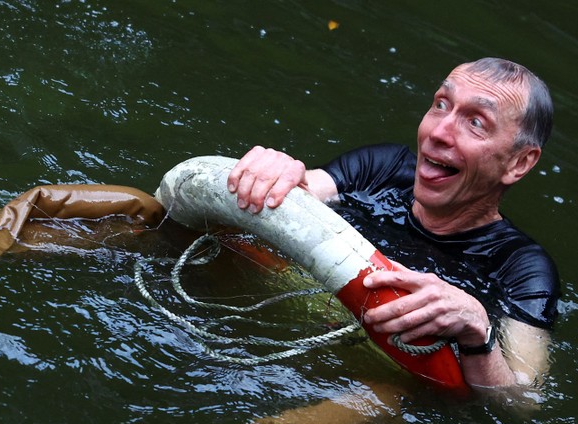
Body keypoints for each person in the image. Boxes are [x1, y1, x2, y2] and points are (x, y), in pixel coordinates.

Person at [225, 57, 560, 390]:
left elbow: (521, 401)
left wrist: (477, 328)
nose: (438, 132)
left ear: (519, 162)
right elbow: (300, 191)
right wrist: (275, 172)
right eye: (441, 104)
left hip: (383, 388)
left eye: (476, 123)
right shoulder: (382, 171)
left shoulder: (522, 268)